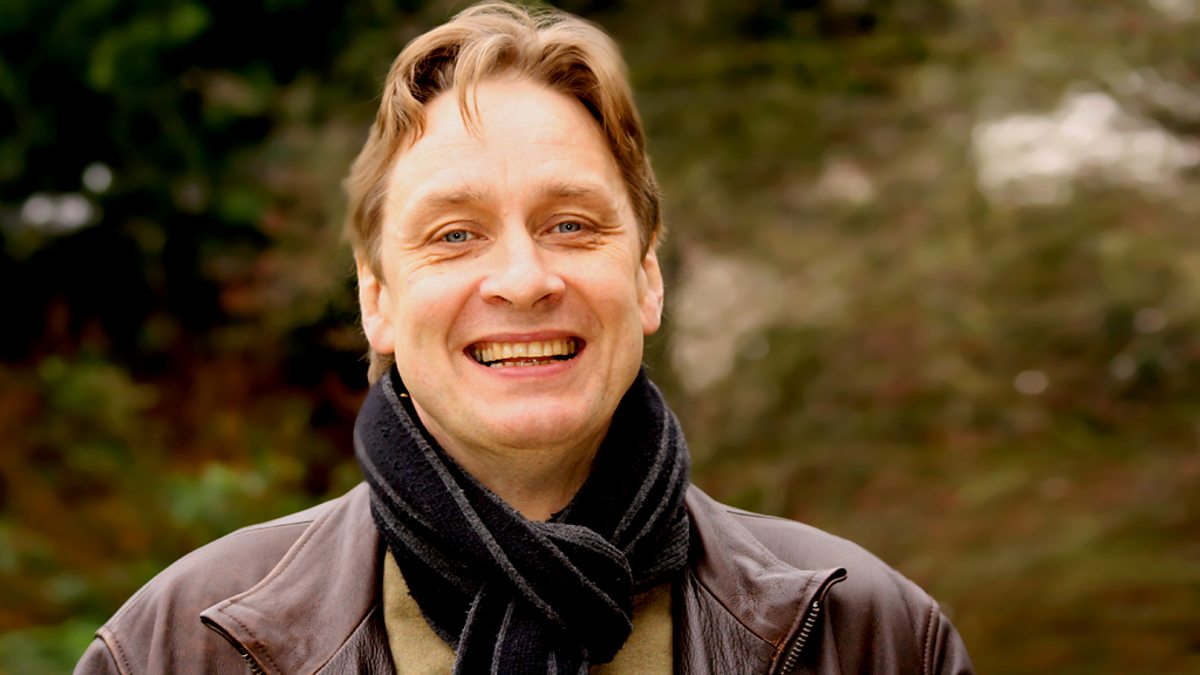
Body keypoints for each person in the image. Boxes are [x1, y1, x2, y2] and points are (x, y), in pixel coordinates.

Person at [75, 2, 973, 673]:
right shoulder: (177, 647)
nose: (522, 278)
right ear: (377, 300)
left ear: (647, 278)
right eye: (455, 234)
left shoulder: (871, 635)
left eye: (571, 225)